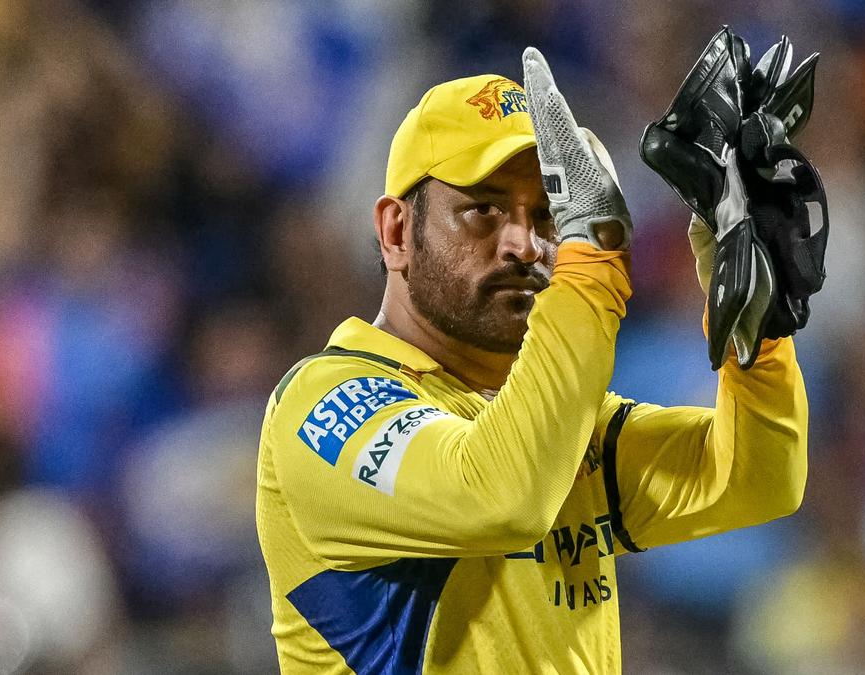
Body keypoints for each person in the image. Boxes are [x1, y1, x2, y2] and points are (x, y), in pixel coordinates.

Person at [254, 48, 808, 673]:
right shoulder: (323, 404)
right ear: (396, 233)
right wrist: (595, 262)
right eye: (483, 210)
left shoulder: (552, 424)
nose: (525, 243)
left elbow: (758, 481)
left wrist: (757, 331)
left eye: (549, 214)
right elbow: (502, 499)